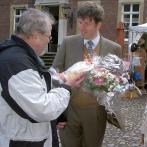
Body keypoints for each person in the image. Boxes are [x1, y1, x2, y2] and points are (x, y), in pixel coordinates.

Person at [0, 8, 85, 147]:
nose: (49, 41)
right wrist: (66, 87)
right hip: (22, 141)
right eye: (49, 36)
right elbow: (42, 108)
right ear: (34, 35)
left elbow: (32, 90)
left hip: (30, 135)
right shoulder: (16, 63)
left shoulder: (22, 55)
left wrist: (59, 79)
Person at [52, 1, 122, 147]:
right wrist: (58, 111)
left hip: (96, 113)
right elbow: (54, 74)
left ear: (98, 24)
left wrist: (111, 82)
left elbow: (118, 81)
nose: (82, 27)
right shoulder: (68, 42)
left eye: (87, 23)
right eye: (80, 22)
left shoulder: (114, 48)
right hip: (69, 110)